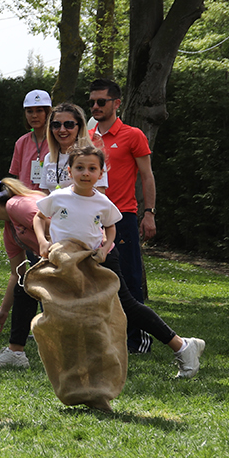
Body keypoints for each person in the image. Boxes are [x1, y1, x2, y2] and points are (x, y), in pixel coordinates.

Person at [32, 144, 203, 377]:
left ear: (101, 174)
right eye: (79, 167)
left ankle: (183, 347)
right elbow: (39, 218)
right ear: (69, 171)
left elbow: (111, 228)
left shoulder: (103, 202)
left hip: (99, 257)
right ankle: (77, 362)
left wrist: (103, 250)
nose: (85, 173)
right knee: (68, 306)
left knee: (126, 304)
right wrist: (42, 241)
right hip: (66, 259)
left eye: (92, 168)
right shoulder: (58, 196)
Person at [88, 77, 156, 350]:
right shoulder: (87, 138)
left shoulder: (133, 135)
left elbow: (147, 177)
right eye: (91, 102)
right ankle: (103, 336)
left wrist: (149, 213)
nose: (95, 106)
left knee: (128, 277)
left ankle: (137, 338)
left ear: (117, 103)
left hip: (123, 216)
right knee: (93, 278)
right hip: (90, 218)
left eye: (101, 102)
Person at [0, 177, 47, 370]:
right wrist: (4, 311)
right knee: (25, 283)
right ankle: (16, 353)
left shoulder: (17, 205)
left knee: (127, 305)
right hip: (57, 262)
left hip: (80, 257)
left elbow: (53, 223)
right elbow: (18, 272)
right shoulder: (10, 229)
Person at [37, 101, 103, 194]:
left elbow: (99, 193)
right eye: (56, 125)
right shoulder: (49, 158)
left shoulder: (93, 157)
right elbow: (45, 194)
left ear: (79, 127)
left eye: (69, 125)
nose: (62, 130)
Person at [10, 89, 52, 192]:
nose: (34, 116)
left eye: (39, 110)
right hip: (26, 199)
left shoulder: (57, 141)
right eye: (30, 111)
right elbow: (17, 177)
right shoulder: (21, 142)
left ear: (48, 112)